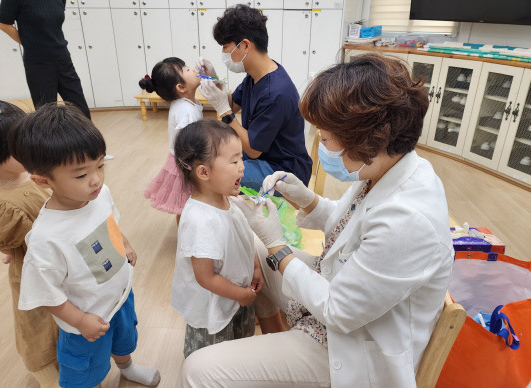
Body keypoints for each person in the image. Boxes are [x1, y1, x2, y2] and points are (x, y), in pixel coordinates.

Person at [179, 54, 455, 388]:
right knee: (250, 243)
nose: (320, 146)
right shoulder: (389, 167)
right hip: (334, 291)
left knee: (197, 370)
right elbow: (349, 226)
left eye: (325, 139)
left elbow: (340, 311)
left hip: (347, 341)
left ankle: (276, 362)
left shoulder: (409, 220)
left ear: (369, 140)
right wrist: (307, 198)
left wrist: (280, 248)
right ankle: (273, 344)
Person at [9, 103, 160, 388]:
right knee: (84, 370)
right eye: (81, 174)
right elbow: (46, 293)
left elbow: (110, 221)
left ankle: (126, 367)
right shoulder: (46, 237)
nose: (96, 179)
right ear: (43, 180)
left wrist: (124, 244)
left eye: (100, 165)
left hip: (120, 295)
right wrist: (79, 321)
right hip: (87, 319)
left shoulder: (99, 194)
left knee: (125, 337)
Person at [172, 119, 264, 358]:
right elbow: (205, 277)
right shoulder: (201, 220)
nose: (242, 167)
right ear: (203, 172)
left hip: (236, 294)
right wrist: (240, 294)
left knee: (237, 350)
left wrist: (254, 265)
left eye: (241, 158)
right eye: (234, 161)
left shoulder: (227, 199)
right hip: (214, 304)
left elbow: (243, 235)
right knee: (212, 358)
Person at [197, 5, 312, 191]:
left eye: (226, 47)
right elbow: (233, 105)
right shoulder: (256, 75)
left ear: (245, 45)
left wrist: (223, 111)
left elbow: (252, 150)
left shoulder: (276, 93)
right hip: (264, 158)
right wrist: (215, 80)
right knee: (208, 160)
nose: (224, 53)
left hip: (283, 171)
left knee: (211, 175)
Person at [0, 100, 59, 388]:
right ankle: (47, 377)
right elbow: (3, 241)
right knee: (39, 329)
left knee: (62, 322)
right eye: (19, 145)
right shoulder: (1, 203)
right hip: (34, 276)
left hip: (58, 265)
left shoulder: (30, 176)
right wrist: (9, 249)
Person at [0, 0, 92, 119]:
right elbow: (3, 24)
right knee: (47, 115)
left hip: (63, 58)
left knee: (81, 109)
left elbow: (52, 25)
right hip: (38, 63)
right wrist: (30, 45)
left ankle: (87, 137)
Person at [139, 57, 203, 224]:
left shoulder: (187, 103)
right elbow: (188, 141)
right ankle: (186, 234)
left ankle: (188, 231)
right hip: (186, 162)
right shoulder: (185, 110)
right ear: (181, 87)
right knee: (185, 205)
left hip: (184, 159)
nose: (193, 69)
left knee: (187, 203)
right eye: (188, 70)